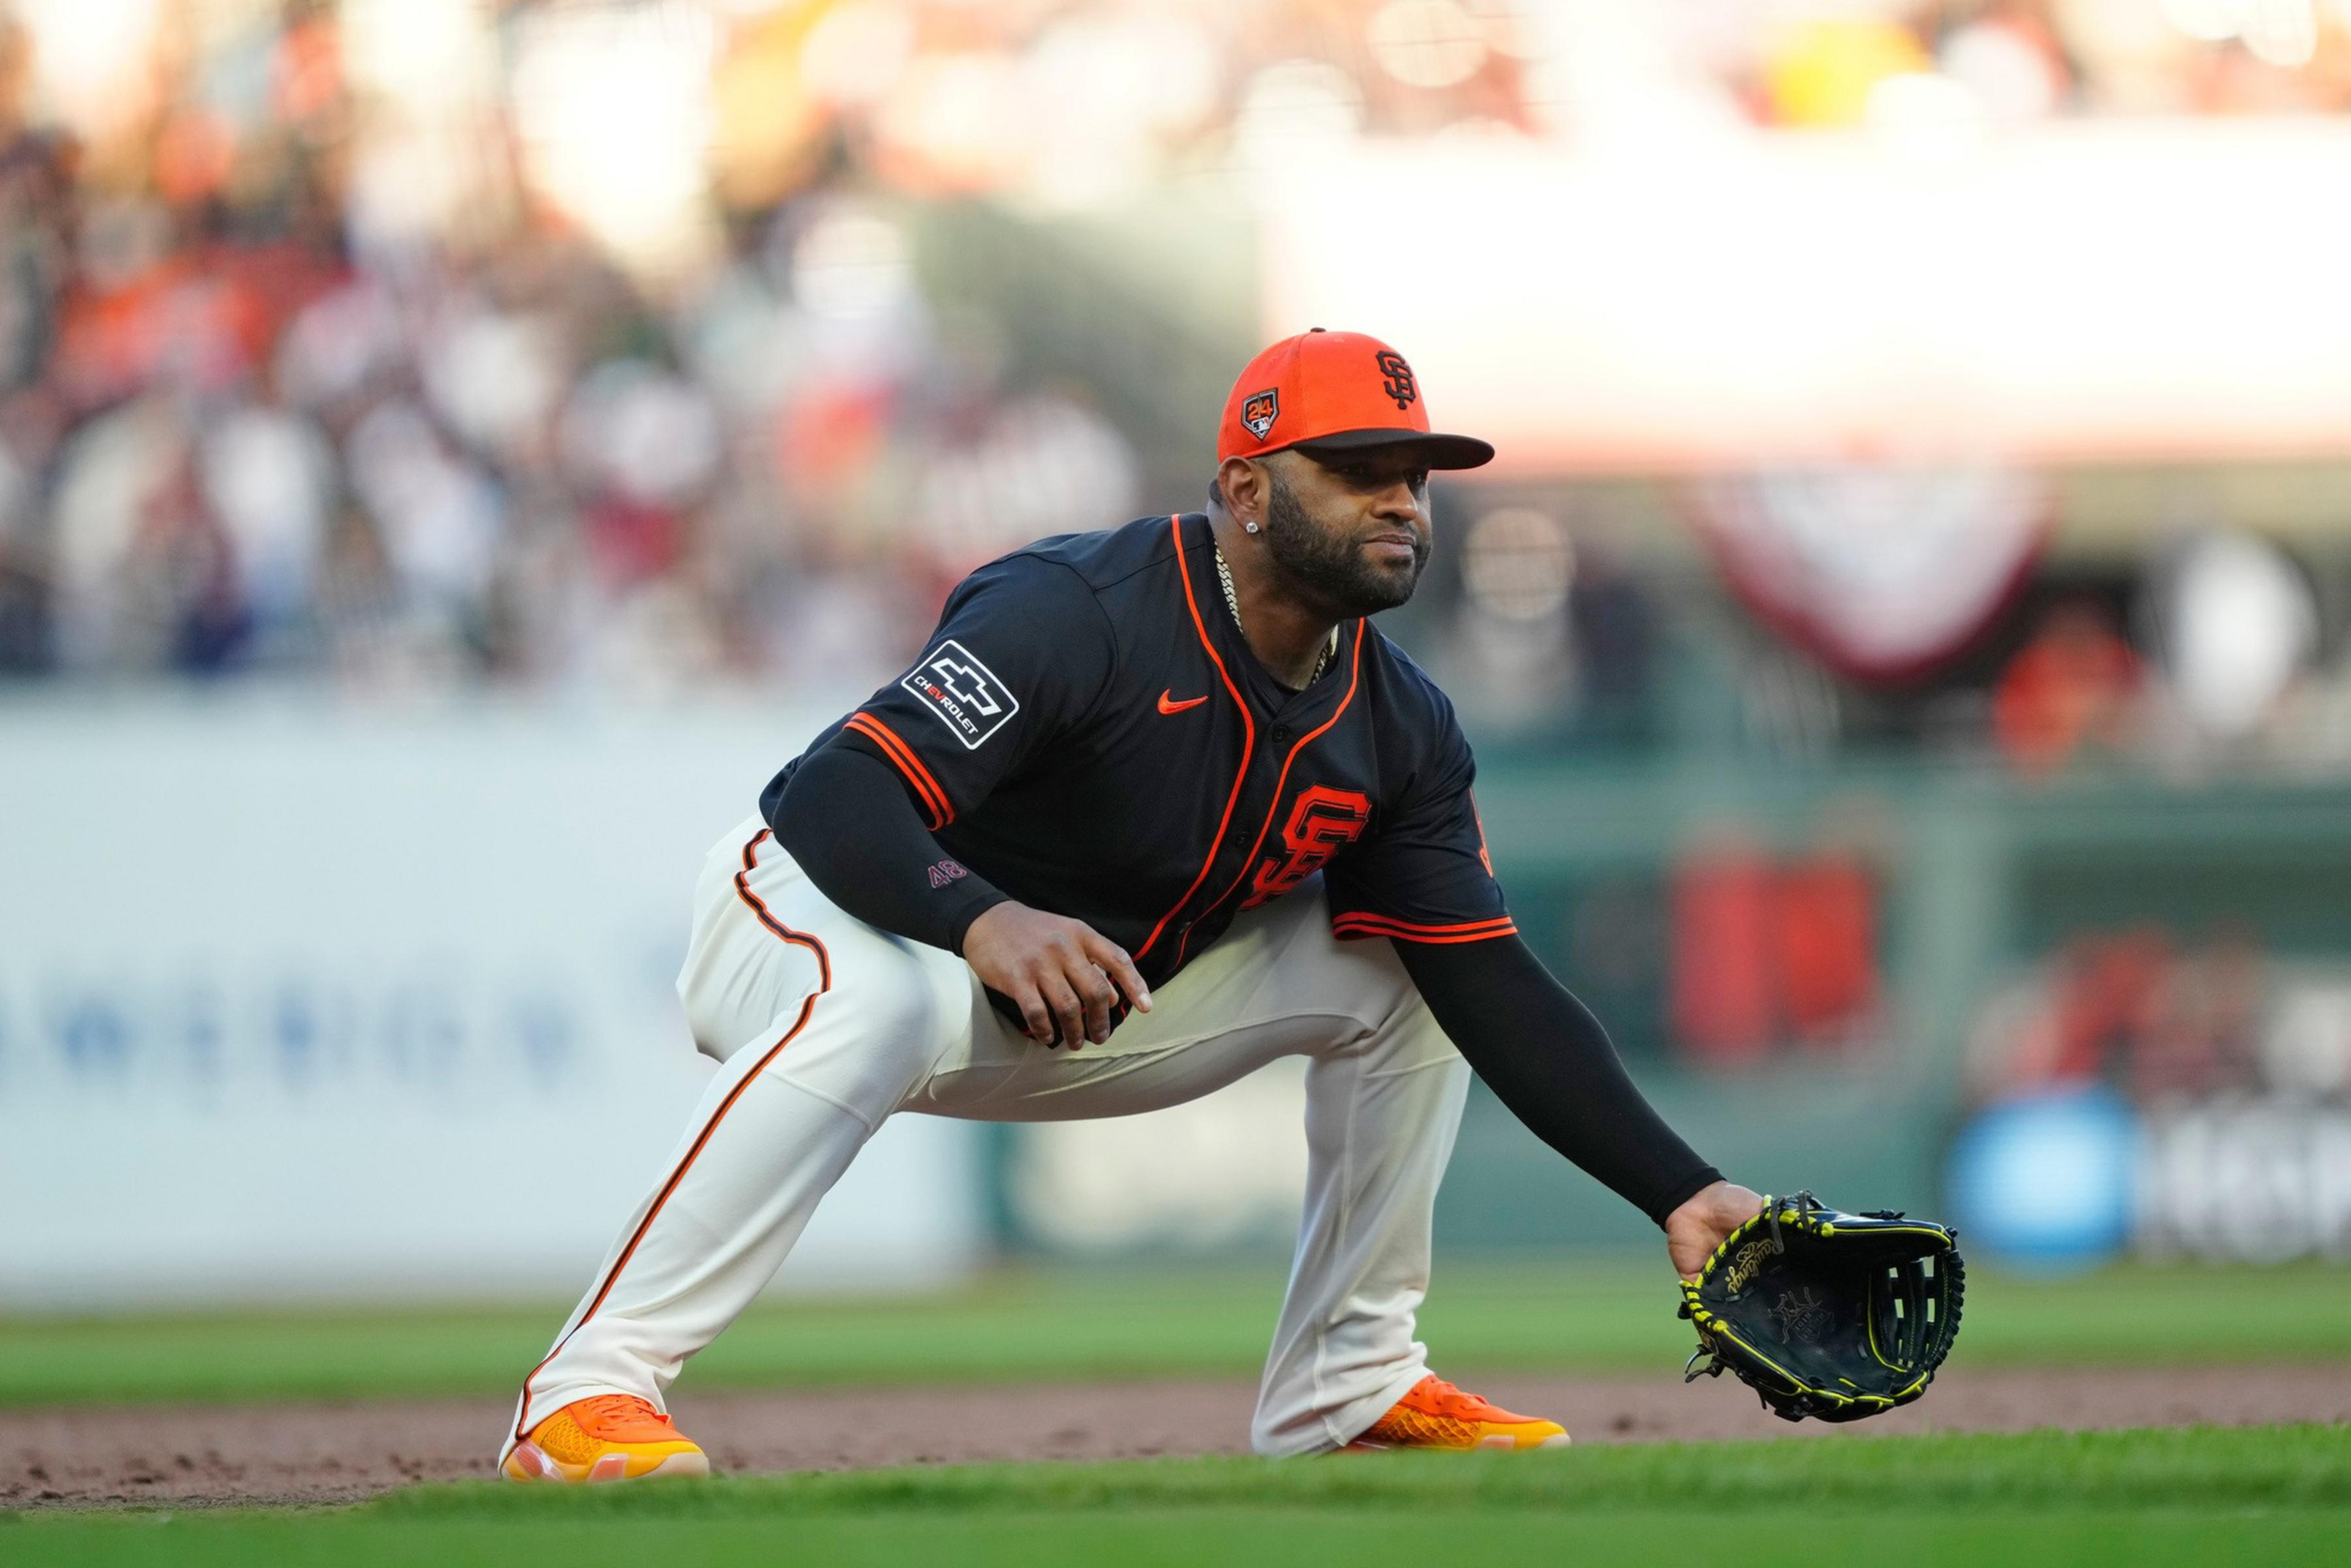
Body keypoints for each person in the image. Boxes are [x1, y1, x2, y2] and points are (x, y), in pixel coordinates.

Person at [499, 330, 1764, 1482]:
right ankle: (587, 1391)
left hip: (1074, 1001)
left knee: (1413, 977)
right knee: (873, 994)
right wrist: (982, 916)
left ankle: (1351, 1380)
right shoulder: (1082, 609)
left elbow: (1489, 978)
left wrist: (1676, 1186)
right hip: (818, 915)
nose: (1398, 500)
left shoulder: (1399, 723)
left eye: (1415, 474)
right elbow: (835, 790)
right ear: (1248, 490)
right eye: (1355, 466)